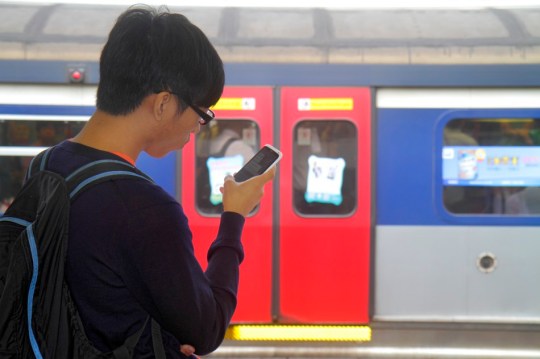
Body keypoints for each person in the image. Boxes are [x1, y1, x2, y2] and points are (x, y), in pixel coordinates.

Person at [41, 5, 275, 358]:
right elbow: (207, 330)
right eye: (202, 114)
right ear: (164, 103)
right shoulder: (146, 210)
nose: (198, 128)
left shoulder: (49, 163)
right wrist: (234, 217)